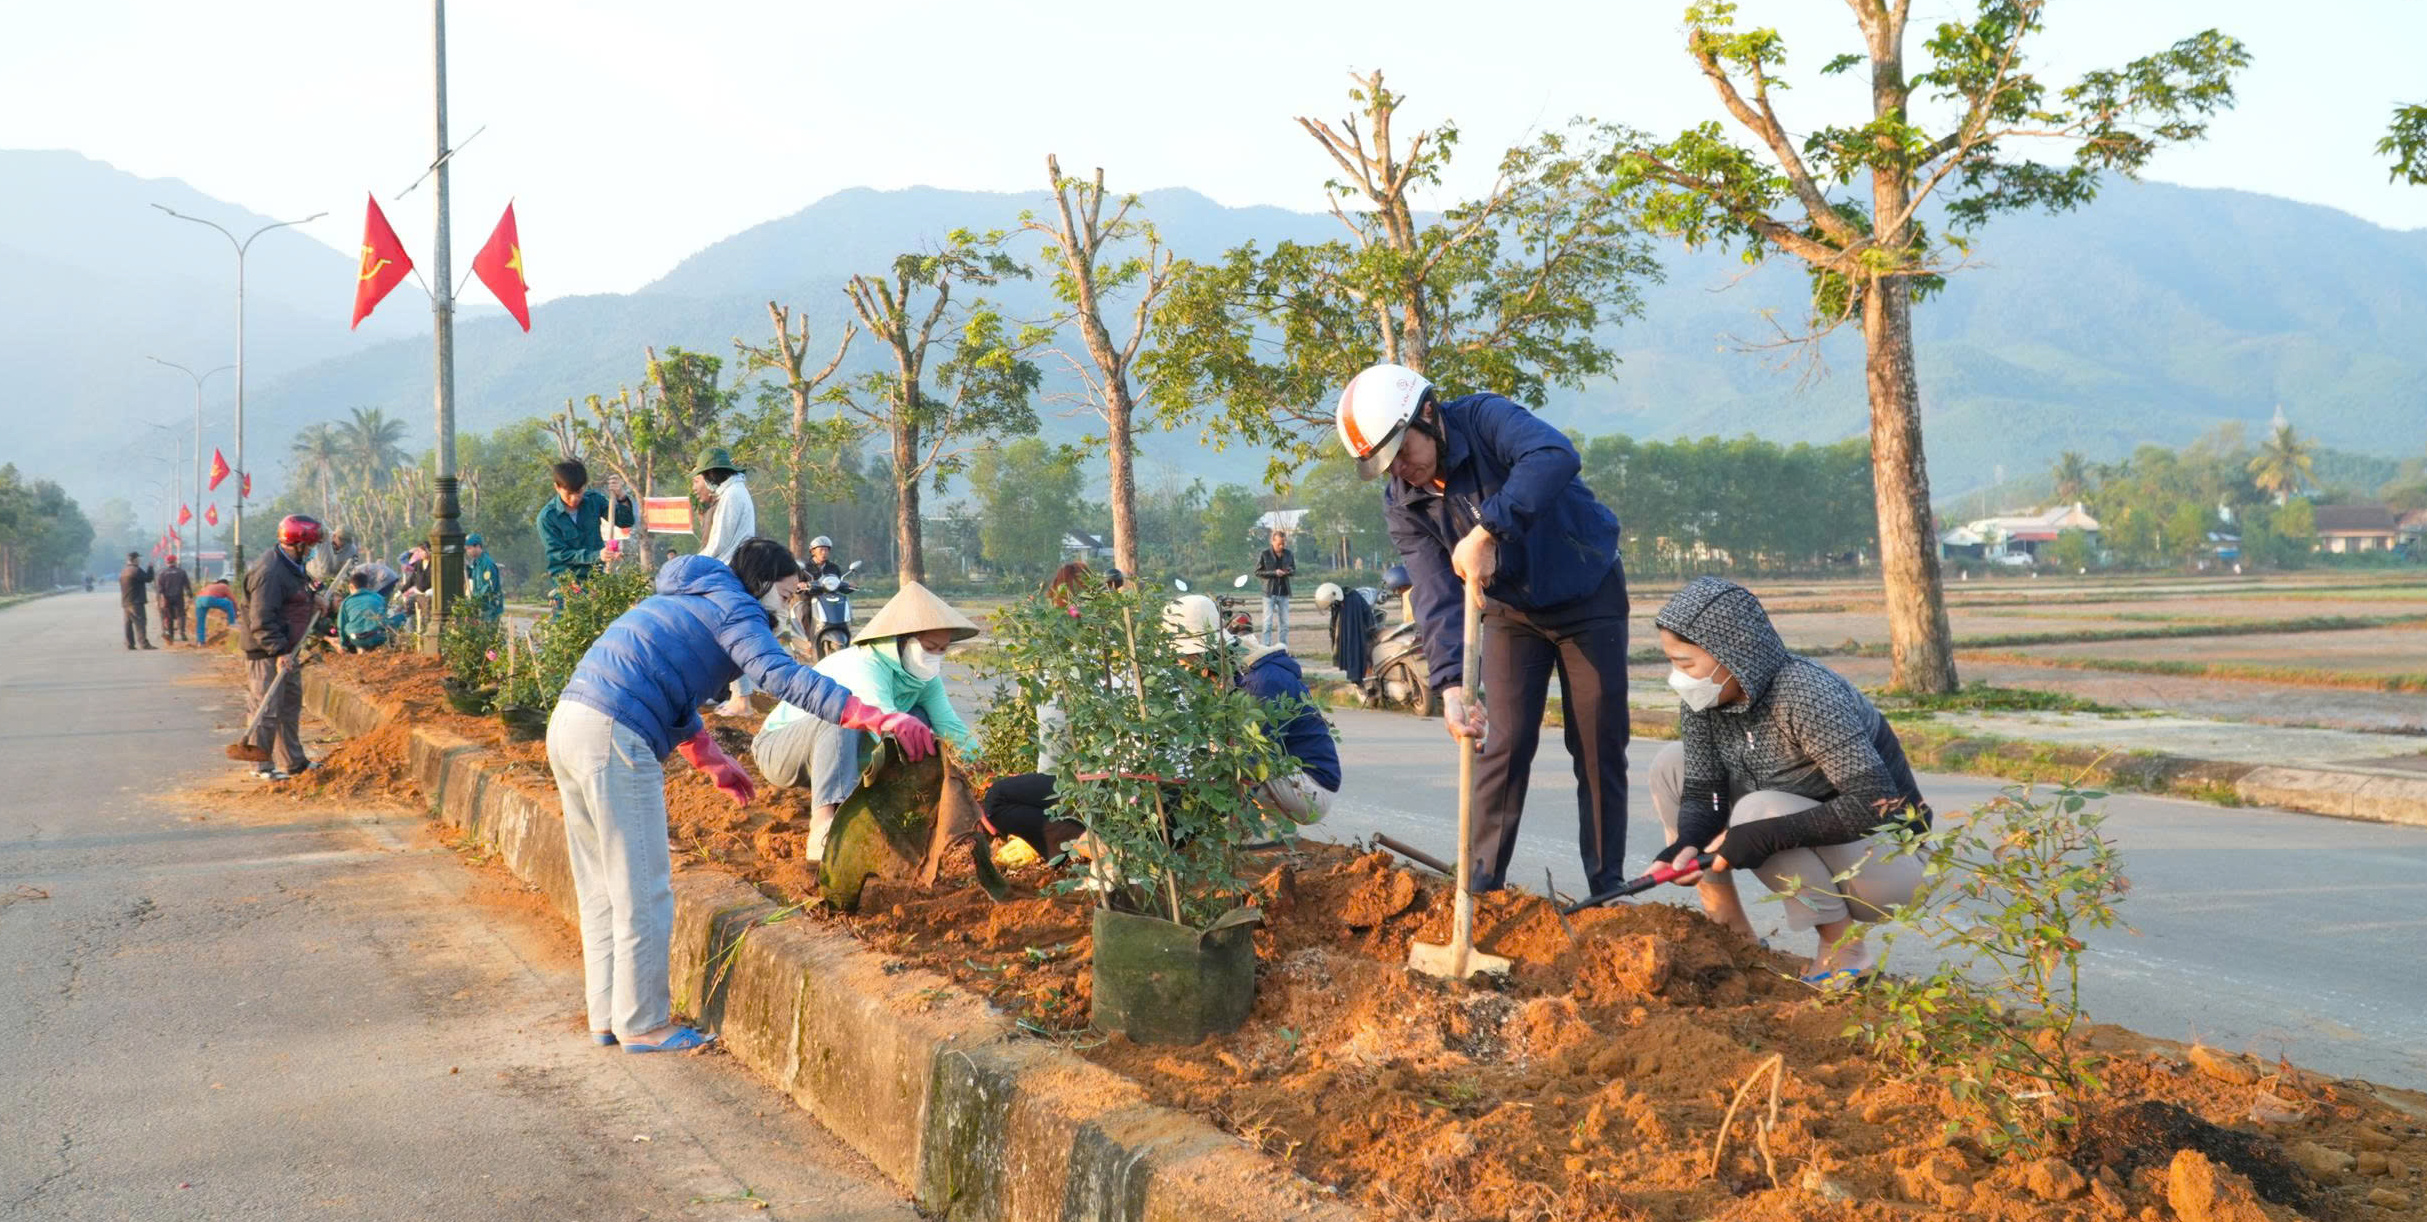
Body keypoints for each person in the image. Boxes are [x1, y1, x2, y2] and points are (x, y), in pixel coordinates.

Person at [549, 539, 935, 1052]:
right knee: (644, 888)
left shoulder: (695, 598)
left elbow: (672, 689)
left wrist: (711, 759)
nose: (787, 604)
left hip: (572, 724)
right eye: (785, 591)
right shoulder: (737, 607)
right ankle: (643, 1024)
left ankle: (608, 1016)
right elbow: (783, 677)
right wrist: (878, 717)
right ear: (763, 582)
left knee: (601, 885)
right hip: (616, 736)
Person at [1335, 362, 1632, 895]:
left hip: (1588, 595)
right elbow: (1434, 591)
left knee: (1596, 745)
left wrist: (1489, 529)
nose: (1401, 469)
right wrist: (1450, 683)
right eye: (1387, 465)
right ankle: (1480, 887)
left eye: (1403, 451)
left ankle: (1606, 887)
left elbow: (1554, 456)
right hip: (1509, 614)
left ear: (1428, 414)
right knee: (1504, 743)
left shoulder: (1486, 418)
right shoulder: (1402, 502)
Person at [1649, 577, 1932, 985]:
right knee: (1670, 764)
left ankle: (1844, 950)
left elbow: (1874, 801)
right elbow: (1703, 792)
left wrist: (1761, 836)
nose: (1678, 677)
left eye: (1686, 664)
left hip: (1889, 864)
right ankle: (1731, 933)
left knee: (1756, 812)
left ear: (1735, 653)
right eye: (1672, 662)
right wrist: (1686, 843)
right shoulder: (1704, 701)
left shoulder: (1806, 694)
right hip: (1823, 839)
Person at [752, 581, 980, 859]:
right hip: (781, 750)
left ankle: (895, 814)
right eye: (930, 647)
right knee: (841, 716)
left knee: (919, 719)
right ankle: (825, 826)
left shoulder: (925, 679)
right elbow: (881, 725)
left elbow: (951, 727)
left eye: (942, 650)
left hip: (836, 755)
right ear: (902, 640)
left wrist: (983, 771)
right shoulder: (865, 665)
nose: (935, 657)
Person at [1165, 594, 1340, 824]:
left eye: (1185, 659)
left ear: (1200, 654)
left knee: (1231, 759)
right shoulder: (1238, 672)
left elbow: (1244, 758)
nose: (1183, 665)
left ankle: (1246, 832)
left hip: (1313, 792)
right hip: (1293, 780)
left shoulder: (1258, 681)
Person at [238, 516, 324, 780]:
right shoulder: (270, 572)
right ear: (297, 543)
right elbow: (262, 619)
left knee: (289, 706)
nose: (311, 552)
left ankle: (294, 762)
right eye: (309, 546)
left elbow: (296, 596)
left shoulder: (292, 566)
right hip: (269, 651)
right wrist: (279, 652)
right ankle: (261, 765)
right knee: (267, 707)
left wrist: (314, 599)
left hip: (289, 647)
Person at [538, 459, 636, 582]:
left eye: (579, 492)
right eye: (569, 494)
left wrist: (621, 496)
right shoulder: (547, 517)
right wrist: (597, 556)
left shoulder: (594, 501)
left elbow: (625, 522)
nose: (574, 499)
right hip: (567, 582)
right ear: (557, 487)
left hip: (596, 578)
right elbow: (560, 554)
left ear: (585, 486)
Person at [692, 448, 756, 566]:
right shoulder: (733, 491)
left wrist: (694, 563)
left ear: (711, 474)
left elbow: (719, 543)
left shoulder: (732, 494)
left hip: (730, 566)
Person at [1254, 529, 1296, 646]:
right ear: (1272, 541)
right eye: (1279, 544)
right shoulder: (1265, 554)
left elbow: (1293, 569)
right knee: (1267, 623)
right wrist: (1274, 572)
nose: (1281, 546)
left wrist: (1288, 571)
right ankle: (1266, 648)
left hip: (1284, 592)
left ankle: (1283, 648)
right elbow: (1257, 572)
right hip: (1269, 593)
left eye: (1283, 543)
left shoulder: (1289, 554)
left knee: (1285, 624)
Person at [336, 570, 392, 652]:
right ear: (368, 586)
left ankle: (361, 652)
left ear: (351, 587)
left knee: (357, 638)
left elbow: (341, 625)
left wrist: (343, 644)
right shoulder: (379, 597)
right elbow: (385, 617)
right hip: (377, 637)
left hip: (357, 639)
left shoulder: (346, 602)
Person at [118, 551, 156, 650]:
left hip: (126, 601)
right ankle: (144, 644)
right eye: (138, 558)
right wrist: (150, 568)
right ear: (135, 559)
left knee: (128, 623)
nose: (139, 560)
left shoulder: (124, 571)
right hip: (136, 601)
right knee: (140, 622)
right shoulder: (136, 570)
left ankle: (129, 644)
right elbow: (148, 578)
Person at [464, 533, 505, 621]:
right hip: (481, 607)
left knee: (488, 632)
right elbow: (473, 576)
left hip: (490, 608)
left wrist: (474, 601)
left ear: (478, 546)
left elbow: (488, 588)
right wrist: (466, 568)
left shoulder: (487, 564)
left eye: (469, 548)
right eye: (466, 549)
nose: (467, 551)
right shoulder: (476, 562)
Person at [156, 554, 192, 644]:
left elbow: (160, 589)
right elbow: (187, 585)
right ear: (175, 561)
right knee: (181, 615)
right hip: (178, 597)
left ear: (166, 562)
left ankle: (171, 634)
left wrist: (160, 600)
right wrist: (190, 596)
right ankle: (182, 632)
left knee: (169, 616)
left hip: (167, 598)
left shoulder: (162, 573)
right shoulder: (181, 572)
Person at [194, 574, 238, 646]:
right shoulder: (224, 586)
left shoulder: (210, 586)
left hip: (199, 600)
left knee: (200, 622)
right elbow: (233, 600)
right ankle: (232, 624)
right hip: (209, 599)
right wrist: (235, 612)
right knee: (229, 603)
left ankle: (200, 642)